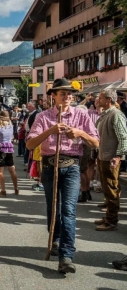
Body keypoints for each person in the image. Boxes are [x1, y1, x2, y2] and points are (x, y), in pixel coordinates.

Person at [26, 78, 99, 274]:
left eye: (69, 93)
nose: (67, 97)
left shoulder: (81, 116)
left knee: (68, 210)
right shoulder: (43, 117)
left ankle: (67, 255)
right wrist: (50, 131)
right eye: (62, 93)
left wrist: (80, 134)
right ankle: (56, 239)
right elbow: (30, 145)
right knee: (53, 208)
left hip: (72, 166)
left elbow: (96, 143)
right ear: (54, 96)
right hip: (50, 167)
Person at [93, 88, 127, 231]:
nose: (98, 100)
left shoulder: (116, 115)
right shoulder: (105, 114)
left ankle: (112, 221)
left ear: (108, 100)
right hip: (103, 156)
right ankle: (108, 216)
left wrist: (118, 156)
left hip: (111, 158)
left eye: (101, 98)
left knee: (112, 189)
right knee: (107, 189)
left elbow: (123, 138)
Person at [0, 111, 19, 197]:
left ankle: (3, 190)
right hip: (9, 149)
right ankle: (16, 188)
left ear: (0, 118)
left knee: (0, 172)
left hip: (0, 150)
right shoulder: (11, 127)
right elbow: (1, 129)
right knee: (12, 169)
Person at [79, 94, 100, 203]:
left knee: (82, 170)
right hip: (89, 145)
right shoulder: (89, 114)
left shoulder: (84, 118)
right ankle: (86, 192)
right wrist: (85, 100)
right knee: (85, 169)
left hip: (85, 145)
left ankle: (84, 193)